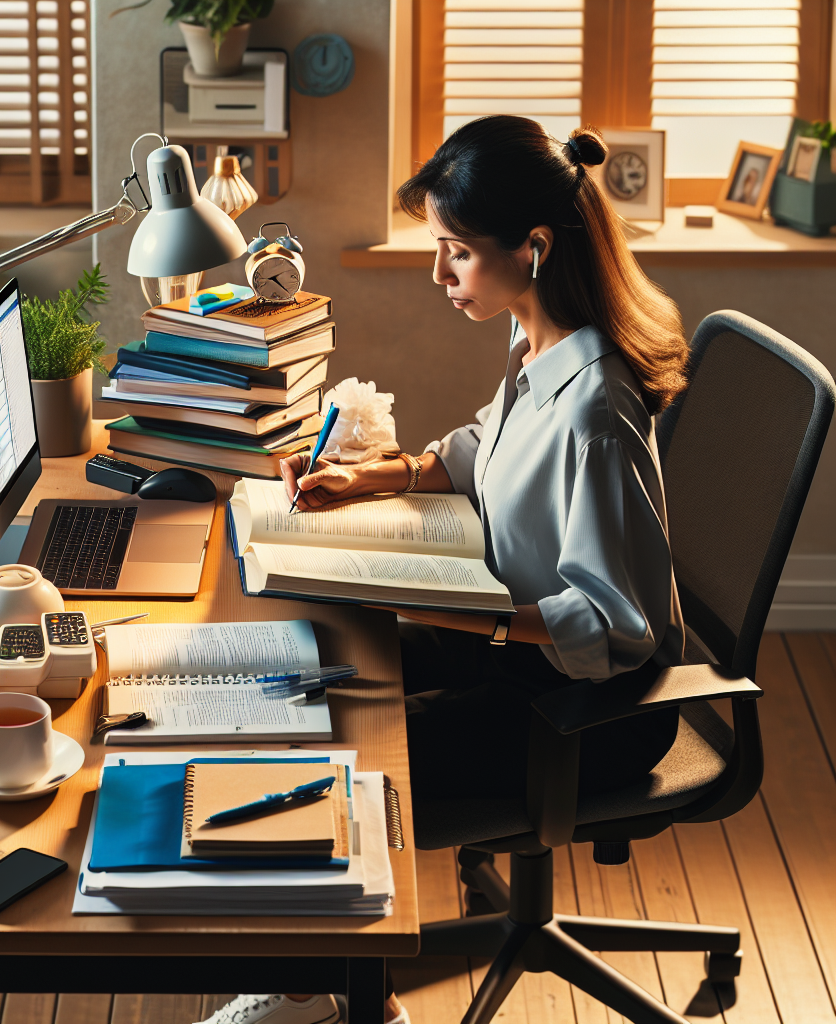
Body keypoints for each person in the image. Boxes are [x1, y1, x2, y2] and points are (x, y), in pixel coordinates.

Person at [195, 116, 689, 1024]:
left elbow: (621, 629)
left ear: (532, 249)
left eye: (456, 253)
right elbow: (475, 451)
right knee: (303, 683)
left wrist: (479, 619)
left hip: (584, 707)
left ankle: (337, 996)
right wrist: (370, 477)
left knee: (353, 770)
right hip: (511, 647)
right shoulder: (538, 347)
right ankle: (317, 969)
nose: (439, 275)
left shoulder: (596, 413)